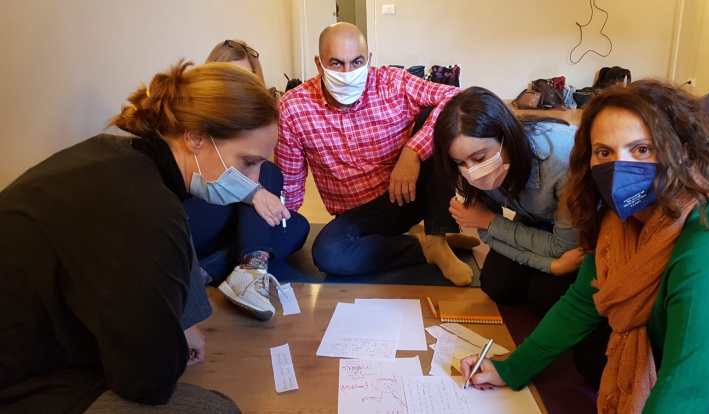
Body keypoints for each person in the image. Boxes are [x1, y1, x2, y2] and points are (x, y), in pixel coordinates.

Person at [0, 59, 280, 413]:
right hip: (21, 378)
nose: (255, 182)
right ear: (195, 137)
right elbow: (148, 381)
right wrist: (169, 343)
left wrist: (179, 325)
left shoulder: (120, 155)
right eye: (248, 162)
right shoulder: (147, 209)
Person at [461, 80, 709, 413]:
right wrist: (511, 368)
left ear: (680, 149)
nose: (619, 167)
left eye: (642, 149)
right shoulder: (619, 221)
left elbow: (690, 387)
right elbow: (582, 302)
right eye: (604, 152)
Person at [276, 22, 478, 285]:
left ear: (369, 59)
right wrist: (279, 231)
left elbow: (458, 98)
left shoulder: (392, 82)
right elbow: (289, 185)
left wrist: (413, 152)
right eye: (336, 63)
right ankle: (425, 248)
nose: (348, 73)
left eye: (357, 62)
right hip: (358, 215)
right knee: (329, 254)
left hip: (407, 192)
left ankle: (438, 236)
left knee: (440, 118)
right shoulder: (293, 107)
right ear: (319, 64)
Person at [183, 39, 310, 321]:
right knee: (267, 175)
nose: (239, 91)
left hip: (229, 229)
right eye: (229, 80)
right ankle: (247, 267)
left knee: (296, 225)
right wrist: (253, 192)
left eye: (247, 82)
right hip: (196, 220)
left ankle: (223, 270)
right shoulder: (195, 123)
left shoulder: (255, 128)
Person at [433, 87, 583, 316]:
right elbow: (487, 235)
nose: (472, 171)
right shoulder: (466, 171)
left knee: (546, 296)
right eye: (460, 163)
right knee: (496, 284)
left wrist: (489, 220)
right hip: (536, 223)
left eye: (479, 158)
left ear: (506, 137)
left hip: (578, 235)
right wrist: (550, 265)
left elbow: (564, 247)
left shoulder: (563, 165)